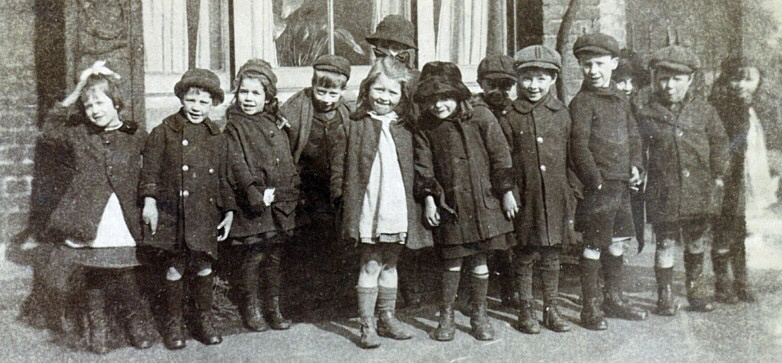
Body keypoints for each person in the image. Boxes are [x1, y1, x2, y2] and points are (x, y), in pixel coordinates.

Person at [42, 61, 153, 353]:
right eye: (88, 105)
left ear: (116, 103)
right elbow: (50, 129)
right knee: (93, 273)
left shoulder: (135, 135)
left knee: (125, 272)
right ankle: (98, 325)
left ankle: (135, 321)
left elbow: (153, 169)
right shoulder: (79, 134)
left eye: (101, 102)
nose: (95, 110)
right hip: (89, 215)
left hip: (121, 216)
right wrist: (79, 85)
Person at [330, 57, 433, 348]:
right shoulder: (354, 124)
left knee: (390, 263)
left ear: (402, 97)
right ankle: (367, 324)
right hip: (368, 206)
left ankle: (387, 317)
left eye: (392, 93)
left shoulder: (405, 128)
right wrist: (340, 199)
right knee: (370, 263)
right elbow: (338, 168)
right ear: (367, 89)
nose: (384, 98)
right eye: (379, 90)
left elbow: (418, 165)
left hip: (397, 206)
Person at [414, 61, 518, 341]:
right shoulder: (426, 126)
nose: (438, 106)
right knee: (452, 261)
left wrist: (506, 192)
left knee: (480, 261)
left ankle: (479, 313)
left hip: (483, 204)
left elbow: (500, 156)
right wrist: (429, 200)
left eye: (445, 98)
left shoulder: (481, 117)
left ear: (459, 95)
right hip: (452, 206)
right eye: (432, 100)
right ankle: (446, 314)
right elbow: (423, 166)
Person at [141, 68, 234, 349]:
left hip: (204, 213)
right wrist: (149, 201)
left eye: (204, 102)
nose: (196, 107)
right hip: (174, 212)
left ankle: (203, 319)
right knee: (175, 266)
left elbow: (222, 176)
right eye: (192, 99)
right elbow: (150, 172)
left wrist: (228, 210)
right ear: (182, 98)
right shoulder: (164, 131)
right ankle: (174, 322)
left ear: (213, 104)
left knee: (204, 265)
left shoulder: (215, 136)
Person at [639, 45, 729, 315]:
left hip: (697, 190)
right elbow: (638, 148)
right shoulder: (647, 113)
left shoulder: (704, 111)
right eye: (663, 78)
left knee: (696, 240)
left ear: (690, 79)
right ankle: (664, 295)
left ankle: (695, 289)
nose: (669, 86)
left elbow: (720, 142)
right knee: (665, 242)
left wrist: (718, 173)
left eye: (676, 79)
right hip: (663, 191)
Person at [569, 33, 648, 331]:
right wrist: (595, 180)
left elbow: (633, 136)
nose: (593, 70)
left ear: (614, 63)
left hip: (622, 185)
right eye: (586, 64)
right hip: (599, 188)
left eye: (600, 63)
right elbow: (578, 146)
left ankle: (614, 298)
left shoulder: (620, 100)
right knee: (593, 244)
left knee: (617, 244)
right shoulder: (582, 102)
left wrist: (636, 166)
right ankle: (590, 308)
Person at [503, 45, 575, 334]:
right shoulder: (509, 114)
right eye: (527, 78)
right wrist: (507, 191)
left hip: (555, 196)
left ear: (553, 79)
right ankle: (526, 310)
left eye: (541, 78)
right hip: (524, 196)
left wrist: (573, 191)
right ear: (518, 80)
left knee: (551, 254)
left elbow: (572, 155)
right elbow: (502, 158)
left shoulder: (562, 113)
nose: (534, 85)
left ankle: (551, 310)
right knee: (524, 254)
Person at [224, 59, 298, 333]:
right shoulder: (235, 125)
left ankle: (273, 307)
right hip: (253, 201)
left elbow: (284, 157)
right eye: (244, 92)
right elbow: (237, 163)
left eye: (256, 93)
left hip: (279, 201)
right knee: (254, 256)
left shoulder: (275, 122)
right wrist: (252, 192)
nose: (248, 99)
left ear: (267, 97)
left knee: (275, 256)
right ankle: (251, 307)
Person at [709, 54, 782, 304]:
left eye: (748, 79)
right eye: (735, 79)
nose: (741, 85)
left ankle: (741, 279)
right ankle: (722, 281)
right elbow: (725, 141)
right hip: (727, 172)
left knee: (739, 227)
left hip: (748, 171)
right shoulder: (722, 104)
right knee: (723, 225)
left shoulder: (758, 105)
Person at [281, 55, 353, 304]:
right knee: (304, 240)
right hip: (303, 186)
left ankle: (333, 293)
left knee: (333, 238)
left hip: (333, 185)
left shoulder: (346, 113)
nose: (326, 99)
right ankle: (302, 296)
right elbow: (283, 137)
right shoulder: (297, 107)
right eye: (321, 91)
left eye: (333, 94)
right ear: (312, 86)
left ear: (343, 91)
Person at [366, 14, 427, 308]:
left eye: (395, 46)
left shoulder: (414, 79)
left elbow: (421, 120)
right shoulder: (375, 73)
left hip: (410, 148)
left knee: (409, 221)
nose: (389, 52)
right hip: (383, 151)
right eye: (383, 45)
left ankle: (412, 283)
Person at [474, 54, 519, 308]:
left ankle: (510, 290)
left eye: (505, 86)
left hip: (513, 182)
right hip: (489, 183)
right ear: (481, 83)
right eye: (492, 85)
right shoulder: (474, 111)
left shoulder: (514, 111)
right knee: (492, 240)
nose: (498, 91)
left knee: (511, 241)